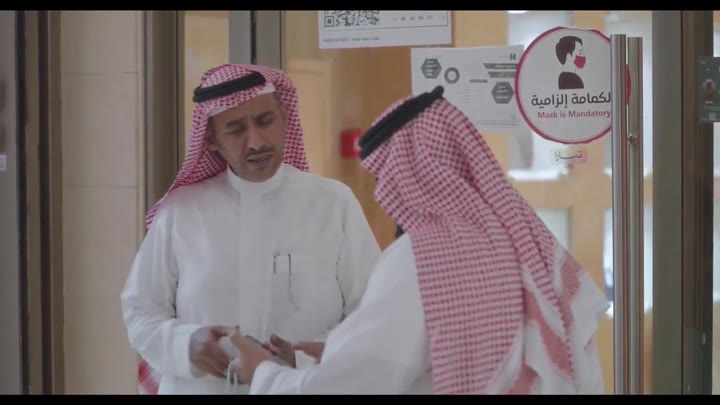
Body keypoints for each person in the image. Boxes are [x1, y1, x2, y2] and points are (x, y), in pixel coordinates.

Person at [227, 86, 610, 395]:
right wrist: (339, 352)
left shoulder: (421, 259)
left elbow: (356, 383)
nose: (386, 193)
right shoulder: (528, 244)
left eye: (387, 177)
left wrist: (263, 373)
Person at [120, 63, 381, 395]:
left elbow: (372, 313)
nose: (256, 142)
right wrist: (187, 345)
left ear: (284, 117)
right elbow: (140, 312)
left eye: (265, 121)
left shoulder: (332, 203)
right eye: (235, 129)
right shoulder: (180, 212)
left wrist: (301, 357)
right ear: (212, 140)